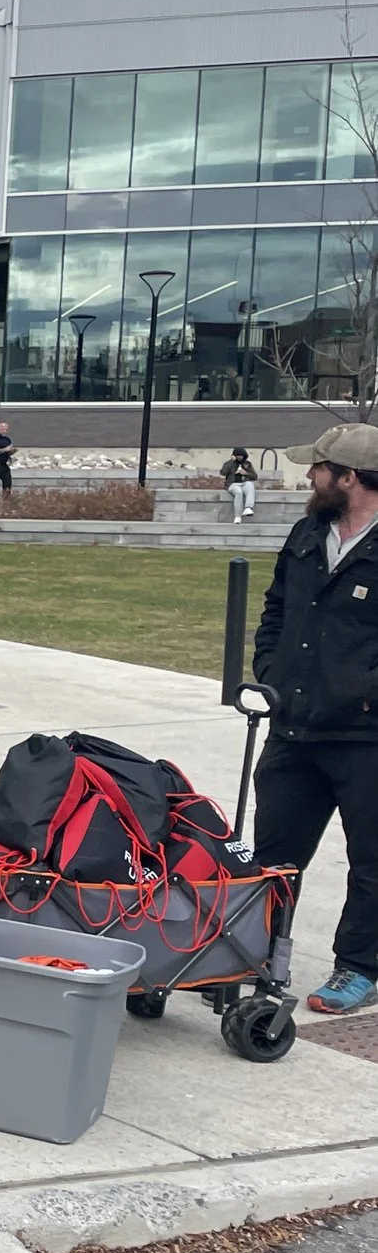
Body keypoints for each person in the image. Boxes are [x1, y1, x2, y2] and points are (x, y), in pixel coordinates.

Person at [253, 423, 378, 1016]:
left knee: (371, 863)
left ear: (349, 478)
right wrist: (269, 671)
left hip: (365, 736)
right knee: (274, 857)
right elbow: (276, 606)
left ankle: (358, 968)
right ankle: (258, 954)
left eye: (319, 468)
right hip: (293, 727)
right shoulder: (309, 532)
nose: (309, 477)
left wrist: (364, 693)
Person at [222, 446, 258, 522]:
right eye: (238, 455)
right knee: (239, 492)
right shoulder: (230, 463)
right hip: (233, 484)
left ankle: (248, 507)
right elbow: (223, 472)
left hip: (244, 483)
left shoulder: (247, 464)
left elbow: (255, 476)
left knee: (250, 485)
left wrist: (246, 473)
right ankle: (238, 516)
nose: (239, 457)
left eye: (241, 455)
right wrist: (231, 461)